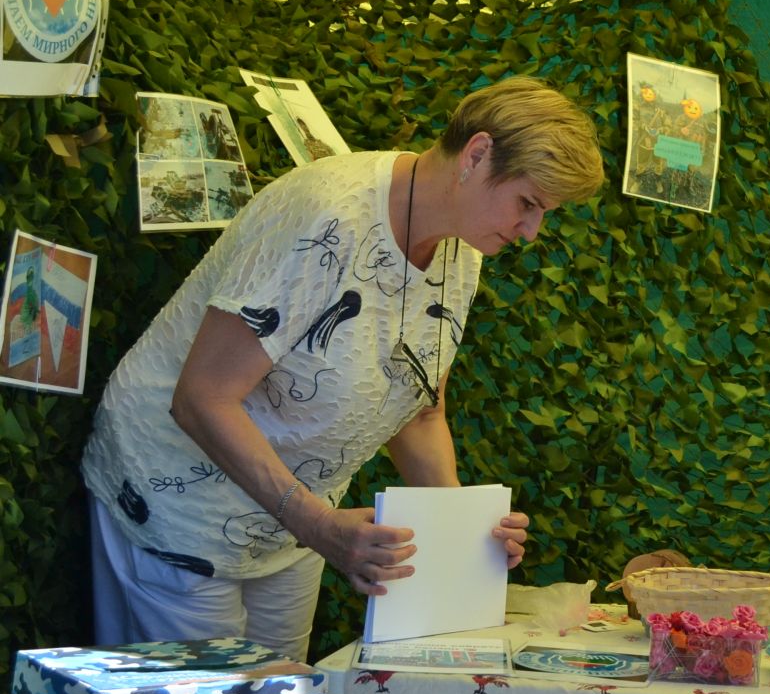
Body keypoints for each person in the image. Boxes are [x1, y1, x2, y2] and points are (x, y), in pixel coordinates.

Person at [82, 76, 605, 662]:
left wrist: (463, 531)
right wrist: (321, 527)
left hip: (291, 525)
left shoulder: (462, 250)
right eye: (528, 203)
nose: (531, 230)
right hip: (177, 505)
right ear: (476, 156)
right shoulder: (325, 214)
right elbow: (203, 399)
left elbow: (421, 408)